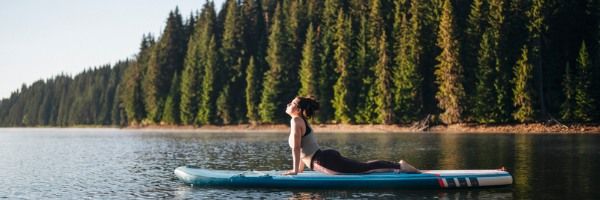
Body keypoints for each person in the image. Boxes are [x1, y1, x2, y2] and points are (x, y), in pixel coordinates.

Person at [282, 96, 420, 175]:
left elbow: (296, 148)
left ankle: (400, 166)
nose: (288, 104)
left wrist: (294, 171)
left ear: (298, 110)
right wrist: (298, 170)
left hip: (324, 161)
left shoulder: (296, 120)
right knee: (364, 166)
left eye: (292, 103)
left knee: (364, 169)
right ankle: (398, 166)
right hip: (323, 159)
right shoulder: (299, 121)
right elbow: (301, 149)